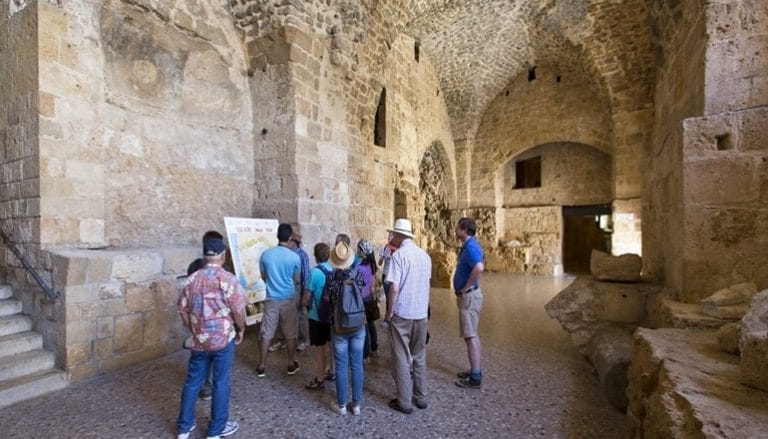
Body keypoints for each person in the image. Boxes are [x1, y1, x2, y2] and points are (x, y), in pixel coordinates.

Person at [176, 237, 246, 439]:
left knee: (192, 382)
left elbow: (182, 309)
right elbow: (238, 310)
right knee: (221, 382)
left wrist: (194, 329)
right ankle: (216, 430)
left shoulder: (191, 279)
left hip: (199, 340)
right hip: (223, 339)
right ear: (223, 256)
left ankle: (184, 427)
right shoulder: (228, 279)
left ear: (205, 256)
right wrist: (241, 328)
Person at [384, 218, 432, 414]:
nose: (391, 237)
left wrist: (389, 313)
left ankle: (404, 402)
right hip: (421, 313)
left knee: (402, 357)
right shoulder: (425, 256)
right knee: (419, 355)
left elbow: (394, 288)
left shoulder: (398, 256)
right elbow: (426, 284)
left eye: (393, 234)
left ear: (398, 235)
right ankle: (421, 397)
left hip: (403, 313)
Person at [255, 223, 301, 378]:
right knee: (290, 333)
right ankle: (291, 363)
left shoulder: (266, 255)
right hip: (288, 298)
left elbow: (263, 276)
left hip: (271, 299)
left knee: (267, 332)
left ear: (277, 236)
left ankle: (262, 365)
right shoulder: (294, 257)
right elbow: (296, 279)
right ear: (290, 238)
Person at [326, 242, 366, 415]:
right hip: (357, 325)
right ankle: (356, 405)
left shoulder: (331, 278)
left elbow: (329, 299)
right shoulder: (358, 275)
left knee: (341, 365)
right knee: (357, 364)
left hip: (339, 326)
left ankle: (341, 405)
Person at [453, 217, 485, 389]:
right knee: (471, 335)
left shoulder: (471, 247)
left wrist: (465, 288)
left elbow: (479, 267)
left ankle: (475, 378)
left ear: (464, 230)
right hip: (470, 296)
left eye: (458, 228)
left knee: (471, 336)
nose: (455, 230)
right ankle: (475, 369)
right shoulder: (469, 245)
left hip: (470, 296)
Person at [302, 242, 335, 390]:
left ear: (315, 256)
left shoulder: (314, 273)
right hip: (330, 315)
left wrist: (304, 307)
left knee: (320, 349)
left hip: (317, 316)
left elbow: (306, 298)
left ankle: (320, 379)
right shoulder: (333, 270)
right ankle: (331, 370)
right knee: (330, 343)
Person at [270, 232, 311, 352]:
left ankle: (303, 340)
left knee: (300, 315)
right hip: (284, 288)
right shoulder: (285, 253)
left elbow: (306, 275)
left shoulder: (302, 255)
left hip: (297, 289)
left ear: (294, 243)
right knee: (282, 314)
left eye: (289, 241)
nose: (287, 243)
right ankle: (282, 340)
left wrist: (304, 293)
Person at [356, 239, 379, 362]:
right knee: (371, 324)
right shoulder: (372, 265)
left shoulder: (359, 268)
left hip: (362, 299)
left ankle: (365, 355)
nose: (357, 250)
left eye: (358, 249)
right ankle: (374, 349)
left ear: (363, 251)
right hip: (370, 298)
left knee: (364, 327)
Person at [378, 234, 398, 312]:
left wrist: (392, 258)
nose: (389, 238)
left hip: (394, 276)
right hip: (385, 274)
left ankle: (392, 314)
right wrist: (382, 257)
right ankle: (388, 315)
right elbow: (379, 263)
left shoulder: (398, 249)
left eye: (391, 236)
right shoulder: (385, 248)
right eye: (388, 236)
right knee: (387, 297)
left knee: (393, 298)